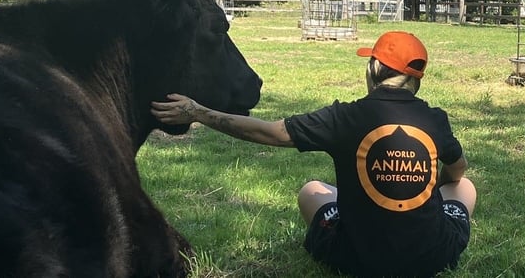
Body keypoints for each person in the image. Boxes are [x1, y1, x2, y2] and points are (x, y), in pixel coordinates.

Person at [151, 31, 476, 277]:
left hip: (355, 258)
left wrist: (197, 112)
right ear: (416, 79)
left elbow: (266, 131)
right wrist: (425, 185)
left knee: (311, 191)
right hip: (431, 257)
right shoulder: (435, 119)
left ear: (374, 67)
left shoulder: (344, 117)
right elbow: (457, 172)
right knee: (466, 187)